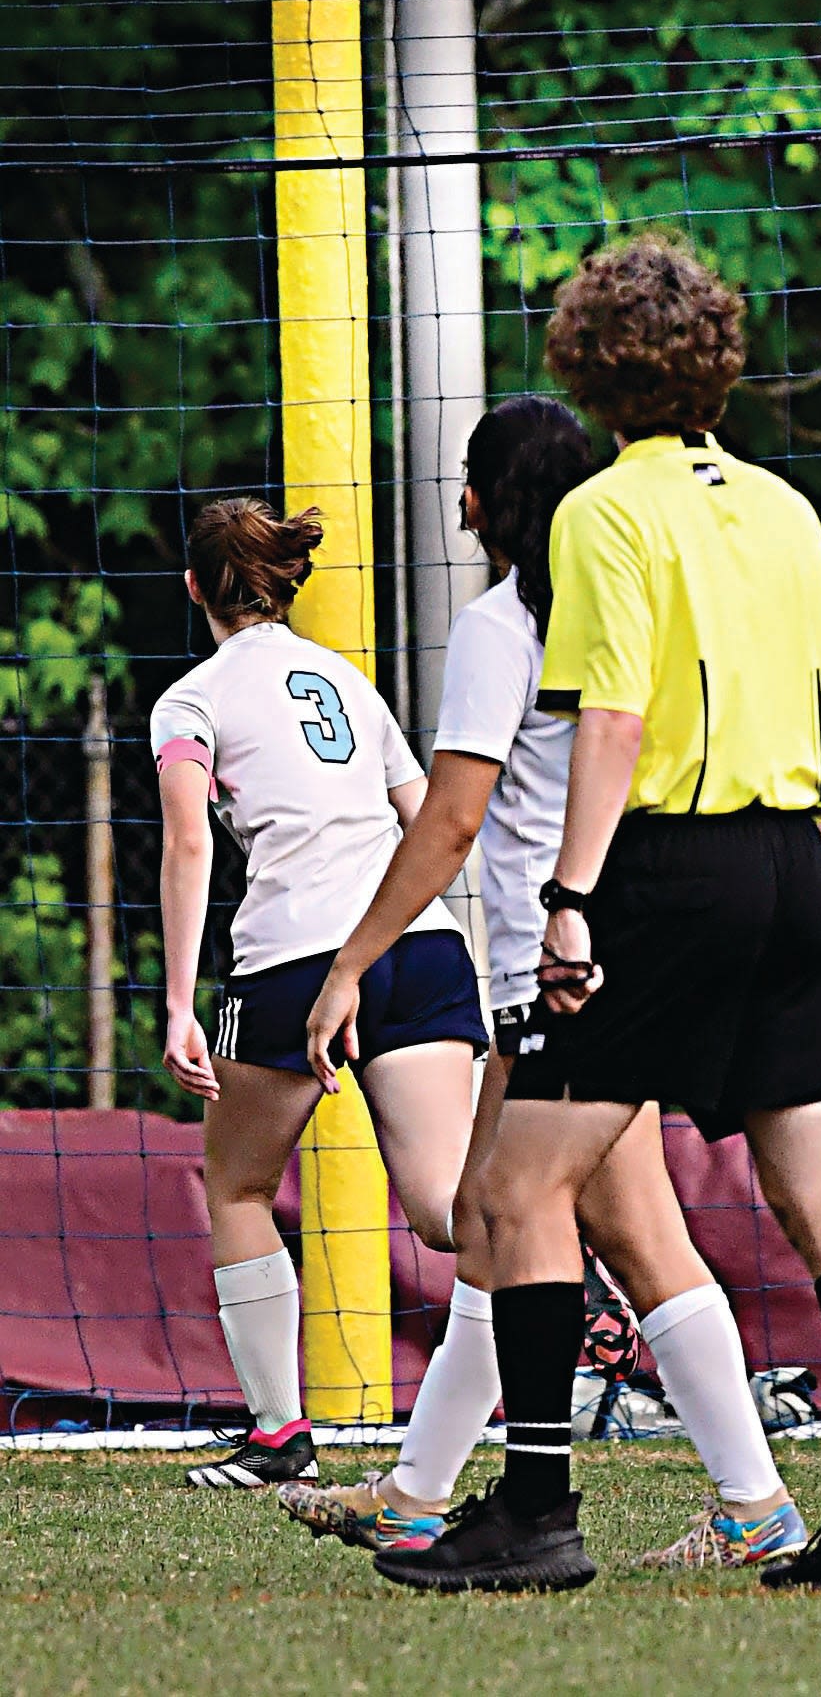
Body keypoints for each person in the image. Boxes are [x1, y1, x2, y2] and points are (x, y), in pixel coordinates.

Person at [381, 235, 821, 1596]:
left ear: (589, 363)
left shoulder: (597, 514)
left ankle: (532, 1509)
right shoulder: (782, 507)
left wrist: (574, 898)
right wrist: (794, 860)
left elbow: (617, 719)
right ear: (719, 362)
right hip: (792, 862)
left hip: (667, 867)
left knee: (519, 1186)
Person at [281, 396, 808, 1570]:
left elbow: (455, 816)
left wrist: (352, 963)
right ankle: (450, 1489)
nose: (457, 499)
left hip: (556, 965)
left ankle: (525, 1506)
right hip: (646, 943)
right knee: (600, 1221)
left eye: (468, 479)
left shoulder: (498, 628)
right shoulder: (635, 609)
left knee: (514, 1212)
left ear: (490, 498)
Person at [152, 499, 489, 1490]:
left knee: (239, 1186)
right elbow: (426, 822)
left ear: (194, 590)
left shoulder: (193, 701)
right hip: (419, 950)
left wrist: (180, 1006)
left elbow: (187, 841)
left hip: (292, 964)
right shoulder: (352, 682)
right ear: (280, 583)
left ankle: (277, 1438)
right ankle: (587, 1295)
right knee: (444, 1206)